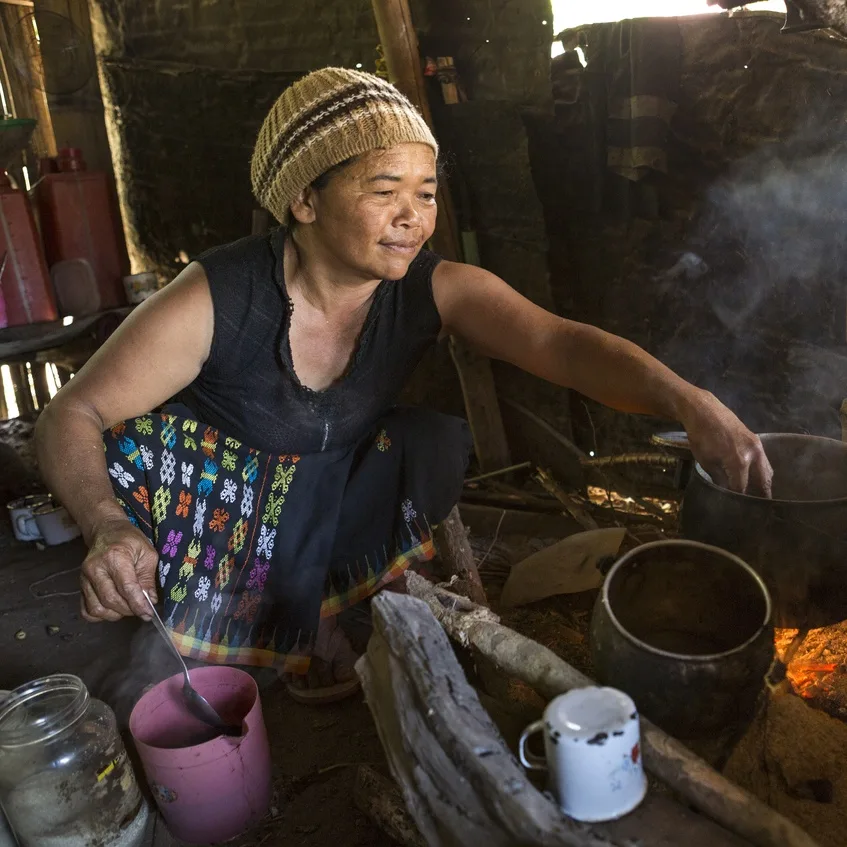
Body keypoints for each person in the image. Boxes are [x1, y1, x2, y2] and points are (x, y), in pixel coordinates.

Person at [35, 67, 772, 704]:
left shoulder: (431, 288)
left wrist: (685, 398)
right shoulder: (218, 297)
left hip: (320, 476)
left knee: (422, 444)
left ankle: (314, 608)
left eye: (424, 192)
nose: (412, 218)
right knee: (146, 487)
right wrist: (107, 523)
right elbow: (74, 409)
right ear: (304, 200)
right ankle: (254, 611)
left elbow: (558, 344)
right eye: (384, 189)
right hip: (219, 499)